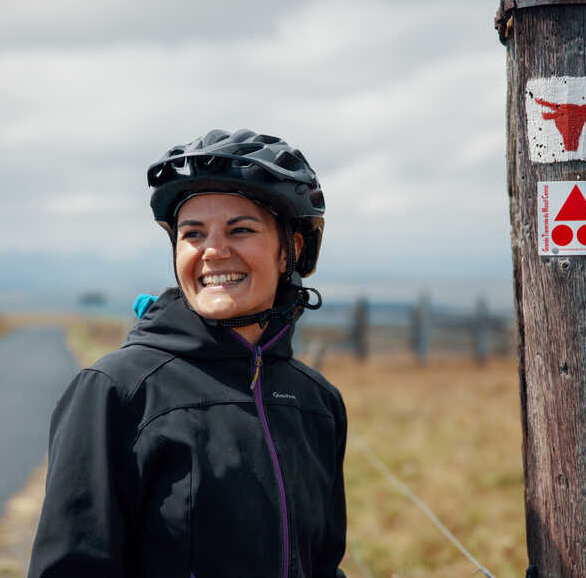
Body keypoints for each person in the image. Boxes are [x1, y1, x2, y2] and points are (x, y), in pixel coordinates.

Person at [29, 129, 347, 578]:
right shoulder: (117, 391)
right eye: (193, 233)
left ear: (289, 251)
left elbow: (323, 566)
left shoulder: (317, 402)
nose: (214, 251)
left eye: (241, 229)